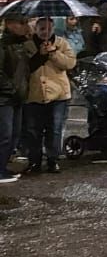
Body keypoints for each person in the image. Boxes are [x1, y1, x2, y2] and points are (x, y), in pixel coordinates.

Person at [20, 17, 75, 173]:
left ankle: (53, 160)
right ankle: (34, 161)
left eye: (49, 29)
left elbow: (69, 63)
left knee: (54, 128)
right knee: (33, 130)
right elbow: (25, 68)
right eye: (42, 29)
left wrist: (53, 53)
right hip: (34, 94)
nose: (46, 32)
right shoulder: (27, 45)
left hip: (58, 94)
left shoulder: (62, 43)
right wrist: (41, 54)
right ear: (36, 30)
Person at [0, 19, 27, 183]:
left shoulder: (21, 45)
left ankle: (3, 166)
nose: (25, 26)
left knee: (14, 135)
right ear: (10, 24)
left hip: (17, 97)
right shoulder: (3, 46)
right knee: (4, 135)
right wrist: (11, 90)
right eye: (21, 23)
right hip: (4, 98)